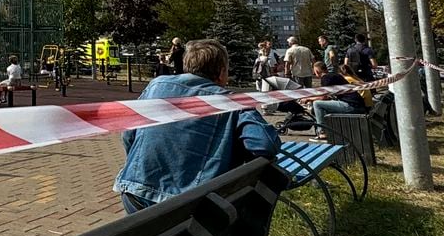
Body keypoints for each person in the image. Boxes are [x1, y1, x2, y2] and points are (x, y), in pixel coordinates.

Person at [113, 39, 281, 212]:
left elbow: (128, 134)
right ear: (222, 71)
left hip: (135, 193)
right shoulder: (231, 102)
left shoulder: (157, 85)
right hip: (191, 204)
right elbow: (266, 144)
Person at [306, 62, 366, 141]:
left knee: (317, 104)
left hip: (350, 105)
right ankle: (331, 131)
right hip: (359, 105)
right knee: (322, 105)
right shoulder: (335, 75)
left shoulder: (325, 78)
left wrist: (308, 99)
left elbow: (323, 97)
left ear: (317, 71)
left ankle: (322, 132)